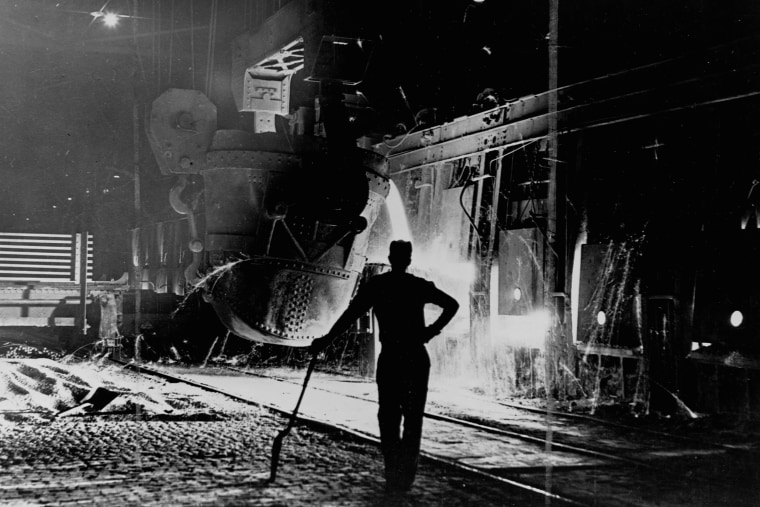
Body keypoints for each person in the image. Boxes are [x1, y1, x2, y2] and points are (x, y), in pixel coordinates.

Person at [311, 240, 459, 492]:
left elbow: (349, 316)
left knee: (388, 418)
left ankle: (393, 473)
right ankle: (406, 478)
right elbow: (452, 304)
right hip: (416, 357)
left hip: (390, 358)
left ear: (390, 258)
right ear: (409, 260)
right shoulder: (417, 285)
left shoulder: (378, 286)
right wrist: (430, 331)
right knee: (413, 421)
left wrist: (325, 340)